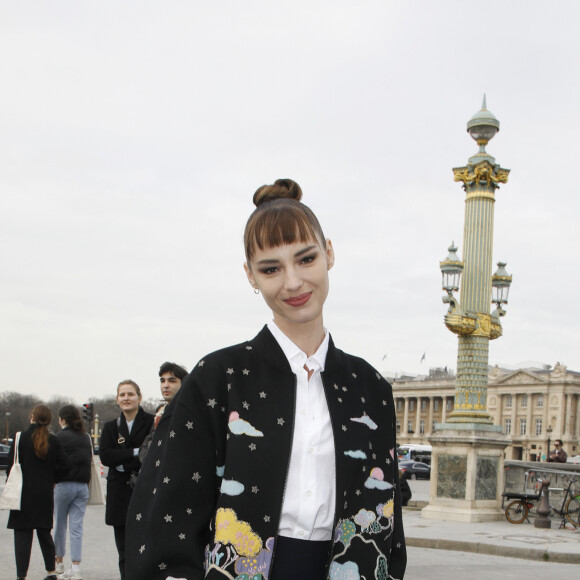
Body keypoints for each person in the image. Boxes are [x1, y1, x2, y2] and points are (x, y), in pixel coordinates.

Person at [126, 178, 407, 580]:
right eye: (271, 268)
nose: (293, 282)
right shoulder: (217, 379)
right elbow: (168, 513)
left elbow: (388, 518)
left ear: (329, 254)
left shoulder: (371, 387)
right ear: (250, 276)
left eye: (306, 259)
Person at [6, 404, 71, 580]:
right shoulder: (53, 440)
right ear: (49, 420)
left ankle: (21, 576)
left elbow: (10, 466)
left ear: (32, 417)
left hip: (22, 494)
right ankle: (51, 571)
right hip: (44, 493)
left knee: (22, 537)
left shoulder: (19, 438)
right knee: (44, 534)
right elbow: (66, 466)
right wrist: (53, 478)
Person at [99, 380, 154, 580]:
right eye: (122, 395)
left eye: (130, 394)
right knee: (123, 551)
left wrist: (123, 460)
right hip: (119, 496)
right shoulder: (110, 427)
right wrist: (136, 452)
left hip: (143, 491)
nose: (126, 398)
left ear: (139, 397)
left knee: (144, 549)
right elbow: (105, 456)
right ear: (117, 399)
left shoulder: (150, 422)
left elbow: (152, 454)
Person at [53, 405, 93, 580]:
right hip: (82, 486)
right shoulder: (86, 437)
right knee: (77, 528)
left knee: (60, 525)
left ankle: (59, 562)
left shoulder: (59, 437)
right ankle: (76, 567)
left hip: (64, 484)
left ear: (62, 419)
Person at [139, 362, 188, 463]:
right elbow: (143, 452)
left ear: (183, 384)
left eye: (172, 381)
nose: (165, 385)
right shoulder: (159, 414)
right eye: (162, 381)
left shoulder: (190, 413)